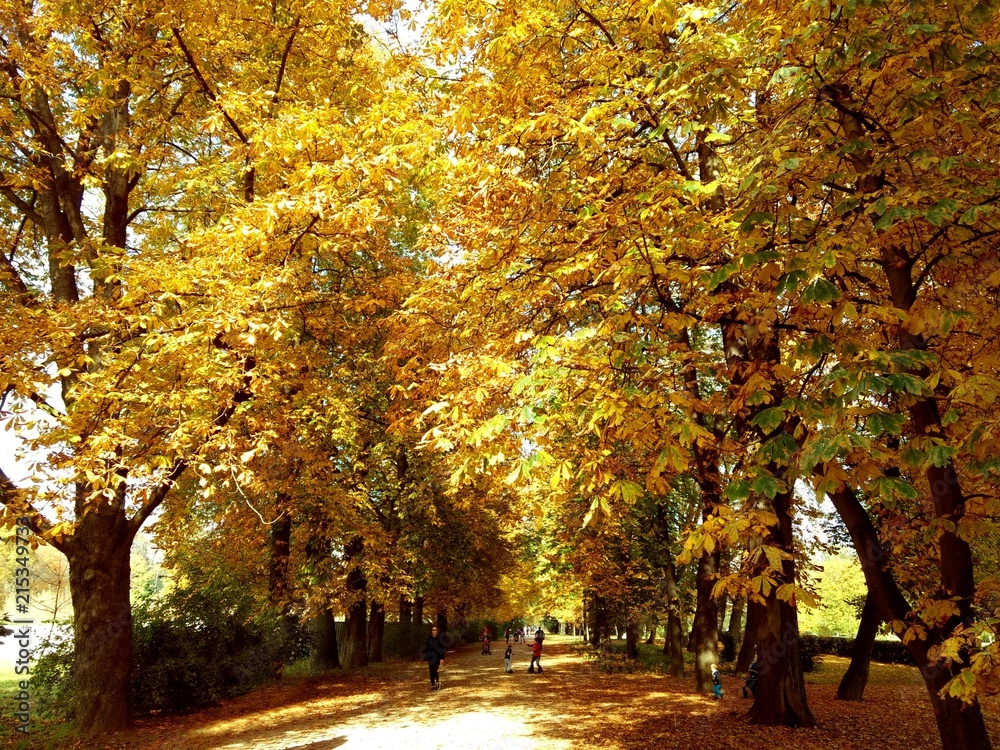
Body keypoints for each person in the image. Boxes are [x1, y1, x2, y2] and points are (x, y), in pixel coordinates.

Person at [422, 625, 446, 690]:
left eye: (435, 630)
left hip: (437, 657)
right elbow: (426, 648)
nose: (434, 631)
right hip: (430, 657)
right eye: (433, 630)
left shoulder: (439, 639)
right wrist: (425, 656)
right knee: (431, 671)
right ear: (431, 631)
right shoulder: (429, 639)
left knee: (435, 670)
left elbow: (442, 649)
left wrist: (442, 658)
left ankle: (438, 682)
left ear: (437, 631)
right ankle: (433, 684)